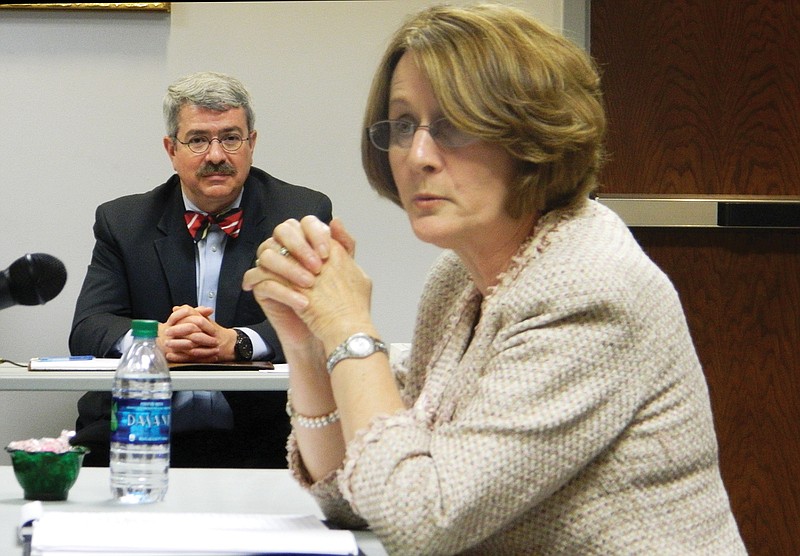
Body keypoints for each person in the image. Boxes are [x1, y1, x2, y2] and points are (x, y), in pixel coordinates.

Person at [241, 4, 747, 554]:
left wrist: (347, 326)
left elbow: (418, 521)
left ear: (531, 136)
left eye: (454, 126)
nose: (417, 156)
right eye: (404, 124)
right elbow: (358, 496)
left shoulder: (591, 288)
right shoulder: (457, 278)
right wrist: (310, 347)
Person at [69, 71, 333, 469]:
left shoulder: (299, 215)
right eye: (197, 140)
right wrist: (152, 341)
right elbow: (88, 327)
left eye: (230, 138)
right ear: (170, 149)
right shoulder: (122, 221)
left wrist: (237, 344)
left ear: (252, 144)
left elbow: (320, 320)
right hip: (137, 431)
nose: (215, 156)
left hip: (262, 436)